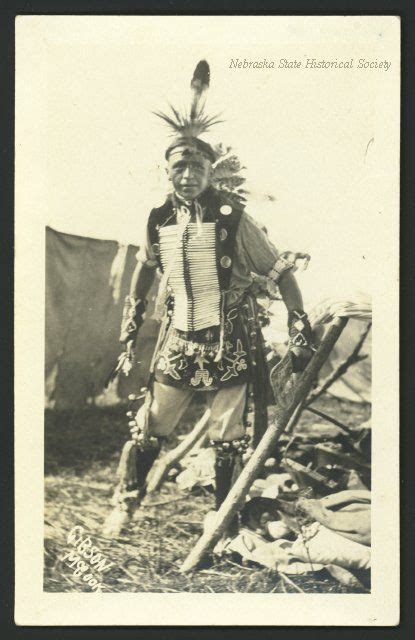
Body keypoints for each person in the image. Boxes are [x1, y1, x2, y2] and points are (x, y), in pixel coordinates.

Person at [103, 61, 313, 536]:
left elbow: (280, 273)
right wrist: (131, 329)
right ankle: (126, 503)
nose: (187, 175)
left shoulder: (234, 218)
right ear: (168, 172)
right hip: (178, 341)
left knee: (228, 434)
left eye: (197, 167)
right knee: (151, 423)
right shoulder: (158, 218)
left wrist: (300, 327)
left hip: (231, 342)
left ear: (210, 171)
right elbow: (143, 270)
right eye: (179, 167)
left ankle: (223, 520)